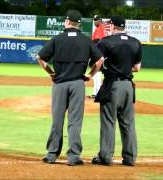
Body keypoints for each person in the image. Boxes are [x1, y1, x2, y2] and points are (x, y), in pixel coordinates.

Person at [36, 9, 104, 166]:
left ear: (67, 22)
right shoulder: (86, 40)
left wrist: (51, 73)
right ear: (79, 24)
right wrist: (90, 74)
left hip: (59, 83)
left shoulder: (57, 38)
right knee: (75, 121)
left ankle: (52, 154)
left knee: (57, 119)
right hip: (78, 84)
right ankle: (73, 157)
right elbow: (100, 60)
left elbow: (40, 58)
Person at [91, 16, 142, 166]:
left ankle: (106, 157)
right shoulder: (136, 42)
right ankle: (130, 158)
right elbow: (137, 68)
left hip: (112, 85)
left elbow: (97, 63)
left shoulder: (106, 42)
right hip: (128, 87)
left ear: (112, 26)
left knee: (108, 121)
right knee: (128, 123)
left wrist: (93, 73)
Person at [90, 15, 106, 99]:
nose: (94, 21)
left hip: (98, 54)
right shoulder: (99, 28)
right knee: (96, 73)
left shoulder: (100, 28)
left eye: (96, 20)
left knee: (97, 72)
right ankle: (95, 92)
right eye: (94, 20)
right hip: (98, 53)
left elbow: (98, 41)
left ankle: (98, 92)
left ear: (100, 20)